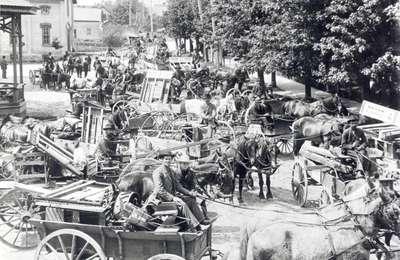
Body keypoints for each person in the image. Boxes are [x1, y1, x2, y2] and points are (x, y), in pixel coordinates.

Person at [150, 154, 209, 231]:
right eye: (166, 159)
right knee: (182, 204)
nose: (168, 161)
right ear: (161, 160)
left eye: (169, 159)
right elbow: (160, 190)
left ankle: (201, 220)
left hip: (172, 198)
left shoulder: (171, 171)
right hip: (162, 200)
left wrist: (189, 193)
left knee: (191, 200)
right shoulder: (158, 172)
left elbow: (178, 186)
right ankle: (194, 226)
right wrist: (173, 198)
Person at [175, 154, 209, 219]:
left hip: (190, 192)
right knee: (191, 200)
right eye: (183, 163)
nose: (185, 165)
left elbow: (194, 183)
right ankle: (200, 219)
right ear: (180, 164)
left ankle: (205, 216)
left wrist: (194, 190)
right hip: (180, 194)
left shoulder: (191, 172)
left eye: (187, 164)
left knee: (202, 198)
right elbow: (178, 187)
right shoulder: (176, 173)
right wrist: (189, 193)